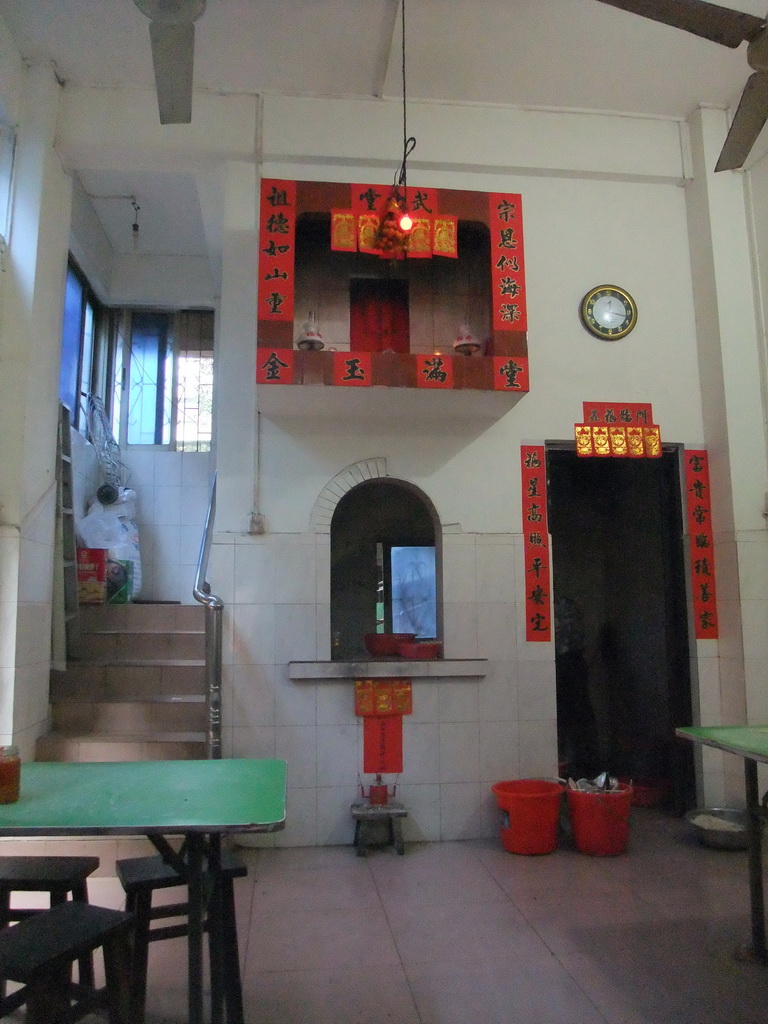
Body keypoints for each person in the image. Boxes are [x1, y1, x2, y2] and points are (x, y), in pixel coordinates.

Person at [554, 596, 599, 779]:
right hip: (572, 664)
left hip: (568, 664)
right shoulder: (567, 605)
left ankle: (577, 773)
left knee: (573, 720)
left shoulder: (560, 606)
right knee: (578, 719)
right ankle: (577, 771)